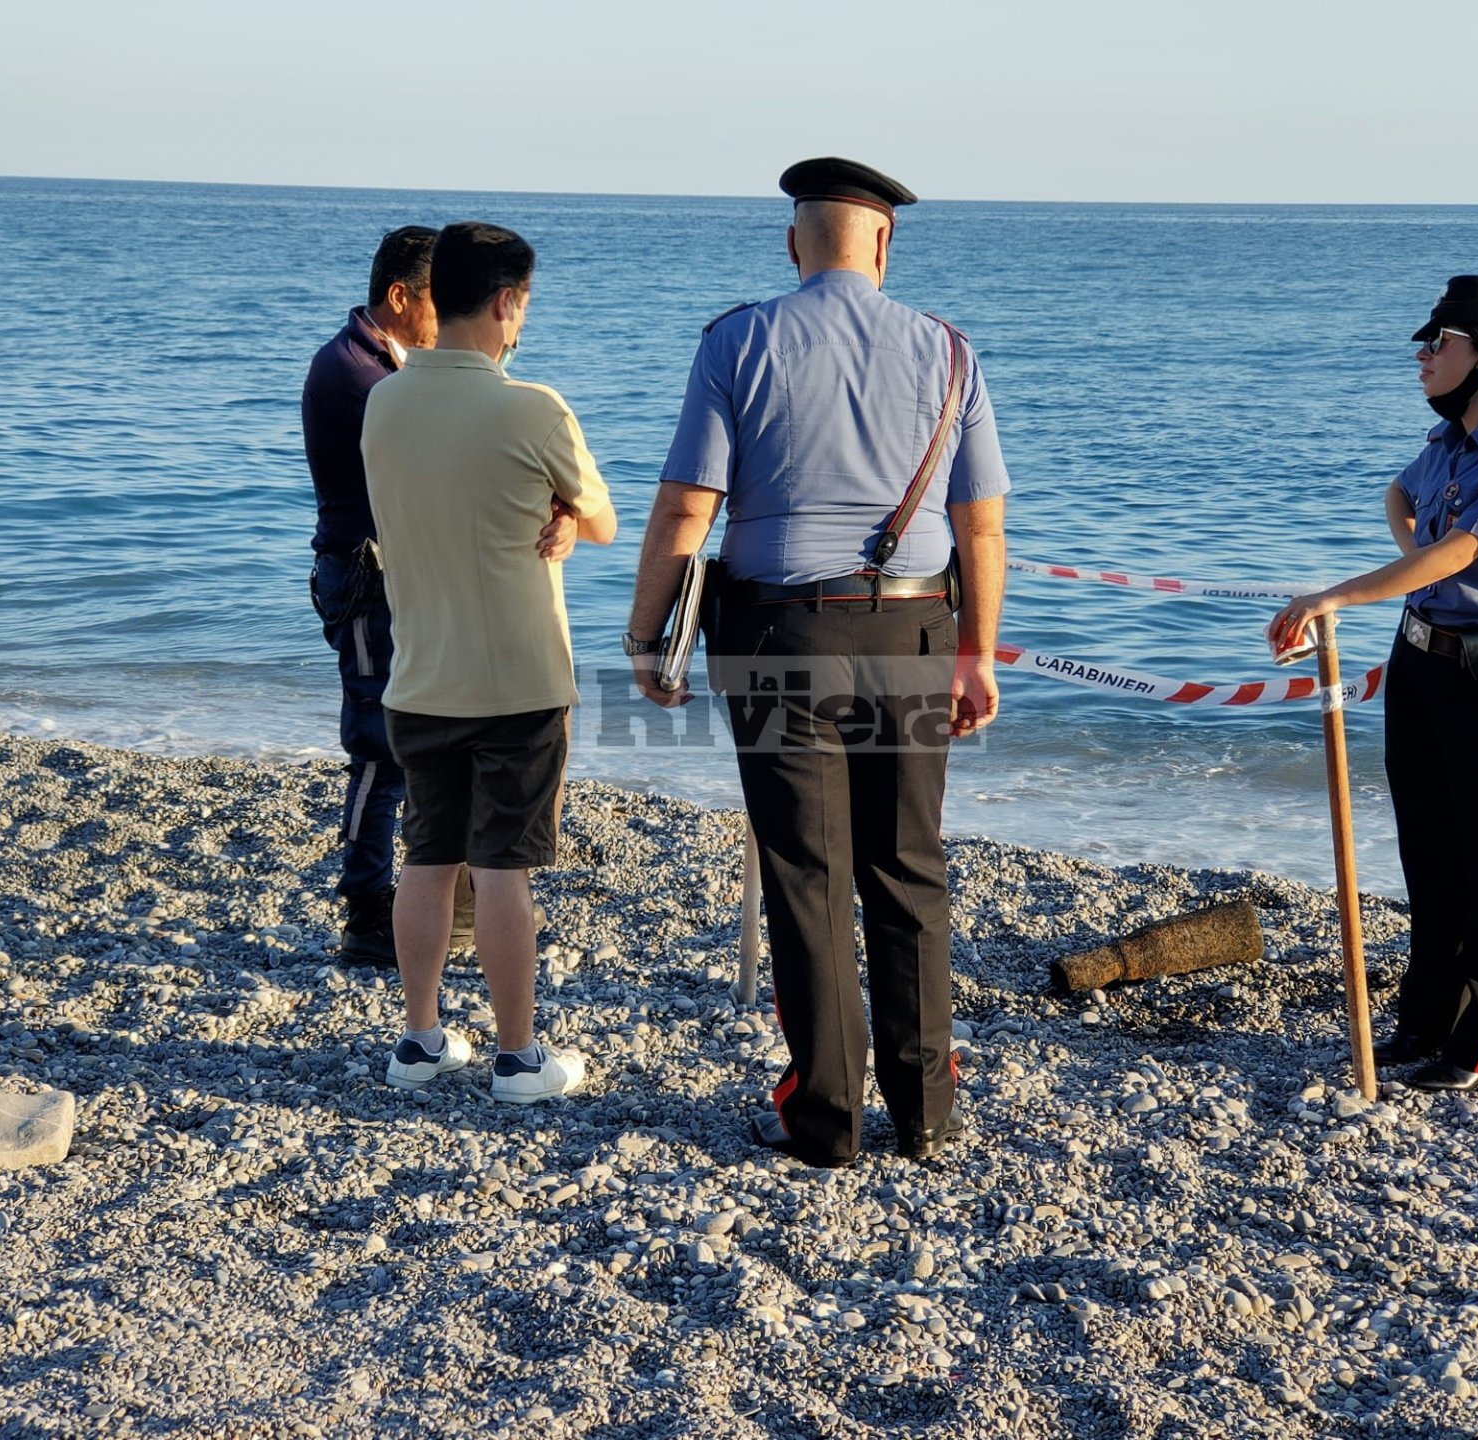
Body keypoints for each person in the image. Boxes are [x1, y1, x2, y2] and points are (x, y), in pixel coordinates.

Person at [626, 158, 1010, 1165]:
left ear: (796, 244)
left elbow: (685, 509)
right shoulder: (950, 353)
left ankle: (826, 1118)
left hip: (777, 636)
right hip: (917, 633)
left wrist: (646, 632)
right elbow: (984, 529)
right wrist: (977, 654)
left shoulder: (737, 340)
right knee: (910, 868)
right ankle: (927, 1112)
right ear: (883, 244)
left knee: (805, 872)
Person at [1269, 276, 1478, 1093]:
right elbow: (1399, 495)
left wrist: (1340, 593)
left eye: (1441, 342)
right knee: (1428, 857)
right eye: (1427, 342)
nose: (1424, 354)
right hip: (1419, 660)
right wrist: (1409, 561)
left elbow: (1459, 554)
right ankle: (1423, 1023)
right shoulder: (1448, 442)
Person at [362, 221, 617, 1102]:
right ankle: (516, 1056)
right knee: (506, 866)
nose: (521, 325)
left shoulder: (383, 402)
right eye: (522, 308)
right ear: (506, 301)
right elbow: (605, 519)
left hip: (419, 672)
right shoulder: (532, 407)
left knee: (427, 856)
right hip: (517, 678)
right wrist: (563, 518)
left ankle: (421, 1040)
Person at [303, 227, 573, 964]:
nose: (441, 324)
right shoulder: (359, 378)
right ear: (399, 297)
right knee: (377, 748)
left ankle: (434, 906)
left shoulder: (386, 372)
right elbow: (450, 469)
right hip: (364, 575)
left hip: (398, 576)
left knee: (409, 744)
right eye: (431, 304)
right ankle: (365, 912)